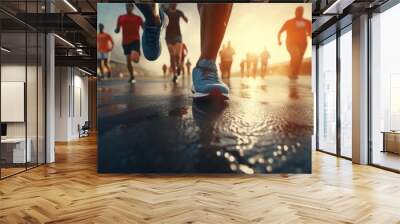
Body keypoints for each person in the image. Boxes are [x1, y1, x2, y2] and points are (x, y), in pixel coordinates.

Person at [278, 6, 311, 80]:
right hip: (290, 42)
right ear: (295, 12)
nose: (299, 13)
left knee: (299, 59)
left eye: (301, 11)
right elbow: (280, 32)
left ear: (303, 12)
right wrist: (279, 40)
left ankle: (294, 74)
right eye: (298, 11)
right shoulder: (289, 22)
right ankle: (292, 73)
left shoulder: (307, 22)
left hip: (303, 43)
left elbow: (310, 32)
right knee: (296, 55)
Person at [115, 3, 143, 84]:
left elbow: (144, 28)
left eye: (130, 6)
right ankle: (132, 76)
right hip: (125, 42)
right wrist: (116, 30)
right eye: (127, 6)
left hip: (135, 40)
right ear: (126, 7)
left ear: (133, 7)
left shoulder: (138, 18)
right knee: (128, 62)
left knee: (135, 59)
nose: (128, 7)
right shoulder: (121, 17)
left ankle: (137, 53)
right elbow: (117, 29)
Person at [164, 4, 188, 82]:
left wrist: (184, 17)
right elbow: (160, 19)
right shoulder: (165, 12)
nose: (173, 3)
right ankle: (174, 75)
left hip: (178, 36)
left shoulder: (179, 12)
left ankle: (179, 67)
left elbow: (186, 20)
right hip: (168, 36)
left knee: (177, 56)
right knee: (172, 55)